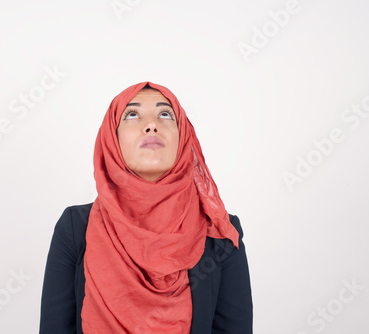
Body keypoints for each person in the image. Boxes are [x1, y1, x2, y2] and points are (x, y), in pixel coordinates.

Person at [39, 81, 253, 333]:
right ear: (112, 138)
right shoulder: (75, 227)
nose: (151, 125)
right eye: (132, 114)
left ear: (183, 137)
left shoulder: (219, 233)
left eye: (165, 114)